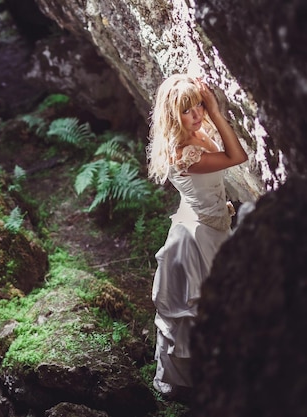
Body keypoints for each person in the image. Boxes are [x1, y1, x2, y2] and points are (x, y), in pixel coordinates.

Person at [146, 74, 248, 400]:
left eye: (199, 106)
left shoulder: (194, 135)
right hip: (199, 236)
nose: (198, 114)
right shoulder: (184, 154)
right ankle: (199, 382)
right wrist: (217, 112)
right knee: (203, 309)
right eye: (188, 110)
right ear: (173, 116)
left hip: (207, 223)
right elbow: (237, 158)